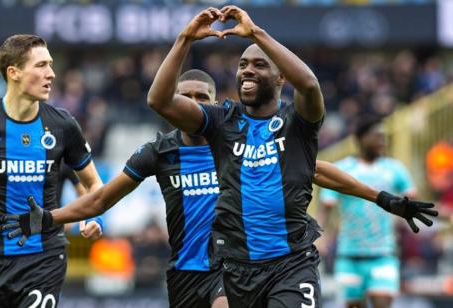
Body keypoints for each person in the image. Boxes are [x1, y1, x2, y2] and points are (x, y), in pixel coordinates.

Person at [2, 68, 435, 308]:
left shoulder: (235, 139)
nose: (193, 104)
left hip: (228, 270)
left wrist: (384, 198)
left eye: (201, 96)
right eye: (185, 97)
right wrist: (52, 218)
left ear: (213, 100)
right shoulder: (159, 152)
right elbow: (100, 198)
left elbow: (317, 170)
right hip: (184, 274)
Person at [143, 6, 437, 307]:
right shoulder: (221, 121)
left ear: (281, 76)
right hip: (237, 269)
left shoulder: (297, 121)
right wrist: (185, 38)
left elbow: (309, 87)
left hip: (291, 265)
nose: (247, 70)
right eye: (243, 64)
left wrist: (256, 33)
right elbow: (159, 100)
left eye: (259, 65)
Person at [0, 34, 103, 307]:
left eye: (51, 64)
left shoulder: (63, 125)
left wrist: (91, 217)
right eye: (41, 65)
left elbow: (94, 184)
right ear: (14, 72)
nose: (52, 73)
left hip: (46, 257)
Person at [318, 117, 425, 308]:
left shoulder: (394, 168)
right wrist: (320, 236)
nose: (381, 141)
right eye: (376, 136)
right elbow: (326, 205)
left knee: (383, 304)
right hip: (349, 255)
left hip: (383, 254)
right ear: (360, 139)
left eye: (383, 137)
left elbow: (415, 203)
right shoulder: (343, 169)